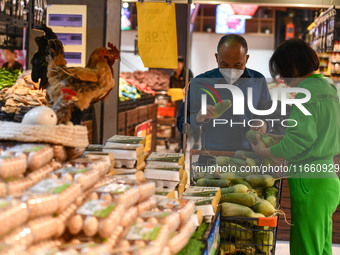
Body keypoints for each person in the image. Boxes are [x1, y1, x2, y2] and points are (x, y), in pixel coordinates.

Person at [251, 38, 340, 255]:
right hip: (328, 177)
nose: (283, 79)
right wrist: (281, 138)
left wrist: (266, 151)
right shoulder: (327, 88)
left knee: (305, 248)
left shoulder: (305, 93)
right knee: (322, 246)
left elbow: (298, 141)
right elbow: (315, 133)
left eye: (282, 72)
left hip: (309, 181)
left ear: (293, 67)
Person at [177, 34, 271, 154]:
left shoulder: (258, 80)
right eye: (225, 64)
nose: (231, 70)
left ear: (246, 59)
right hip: (213, 155)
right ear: (217, 58)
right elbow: (182, 126)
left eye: (237, 65)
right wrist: (197, 118)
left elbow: (269, 114)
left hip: (251, 156)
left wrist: (264, 123)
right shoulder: (200, 83)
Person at [169, 56, 195, 151]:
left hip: (186, 101)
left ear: (182, 64)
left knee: (185, 120)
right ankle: (181, 141)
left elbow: (193, 83)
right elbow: (171, 88)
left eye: (177, 64)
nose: (175, 66)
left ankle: (185, 141)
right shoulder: (172, 76)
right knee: (179, 120)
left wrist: (186, 88)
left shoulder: (187, 73)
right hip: (177, 101)